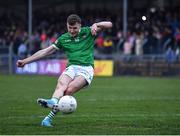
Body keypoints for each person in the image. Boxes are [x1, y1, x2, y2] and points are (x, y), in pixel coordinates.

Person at [16, 14, 113, 127]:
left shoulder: (88, 31)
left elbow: (109, 24)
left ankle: (49, 117)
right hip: (71, 67)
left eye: (75, 28)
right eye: (69, 28)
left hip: (86, 68)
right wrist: (25, 61)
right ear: (67, 26)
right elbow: (45, 52)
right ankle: (52, 103)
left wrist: (96, 24)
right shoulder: (63, 39)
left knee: (68, 91)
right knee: (61, 85)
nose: (72, 31)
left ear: (80, 26)